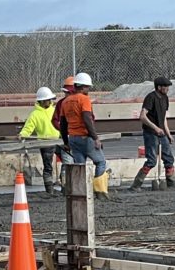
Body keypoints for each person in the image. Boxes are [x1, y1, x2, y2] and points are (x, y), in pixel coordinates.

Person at [60, 72, 110, 200]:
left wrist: (66, 142)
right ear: (82, 87)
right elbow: (87, 119)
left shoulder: (66, 101)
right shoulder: (84, 99)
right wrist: (95, 138)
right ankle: (99, 192)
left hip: (73, 138)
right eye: (88, 87)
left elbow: (63, 124)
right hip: (85, 137)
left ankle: (81, 191)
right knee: (100, 162)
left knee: (80, 166)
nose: (89, 90)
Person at [129, 76, 175, 191]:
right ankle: (136, 185)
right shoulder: (151, 98)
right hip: (150, 133)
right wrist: (155, 128)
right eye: (165, 87)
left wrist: (168, 133)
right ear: (159, 87)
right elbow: (142, 116)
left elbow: (163, 118)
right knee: (152, 160)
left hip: (161, 133)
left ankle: (171, 184)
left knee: (169, 158)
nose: (167, 89)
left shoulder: (165, 98)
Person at [18, 87, 59, 194]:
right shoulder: (35, 115)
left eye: (50, 100)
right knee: (48, 167)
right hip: (45, 143)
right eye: (47, 100)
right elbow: (28, 128)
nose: (49, 102)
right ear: (40, 101)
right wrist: (23, 135)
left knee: (68, 160)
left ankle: (65, 185)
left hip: (59, 141)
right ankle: (49, 190)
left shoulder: (55, 111)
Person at [51, 76, 75, 187]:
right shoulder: (61, 104)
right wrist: (64, 131)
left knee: (78, 162)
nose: (66, 95)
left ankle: (73, 183)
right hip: (67, 139)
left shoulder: (80, 101)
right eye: (65, 92)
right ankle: (66, 185)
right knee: (67, 161)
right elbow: (54, 120)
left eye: (67, 92)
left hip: (79, 138)